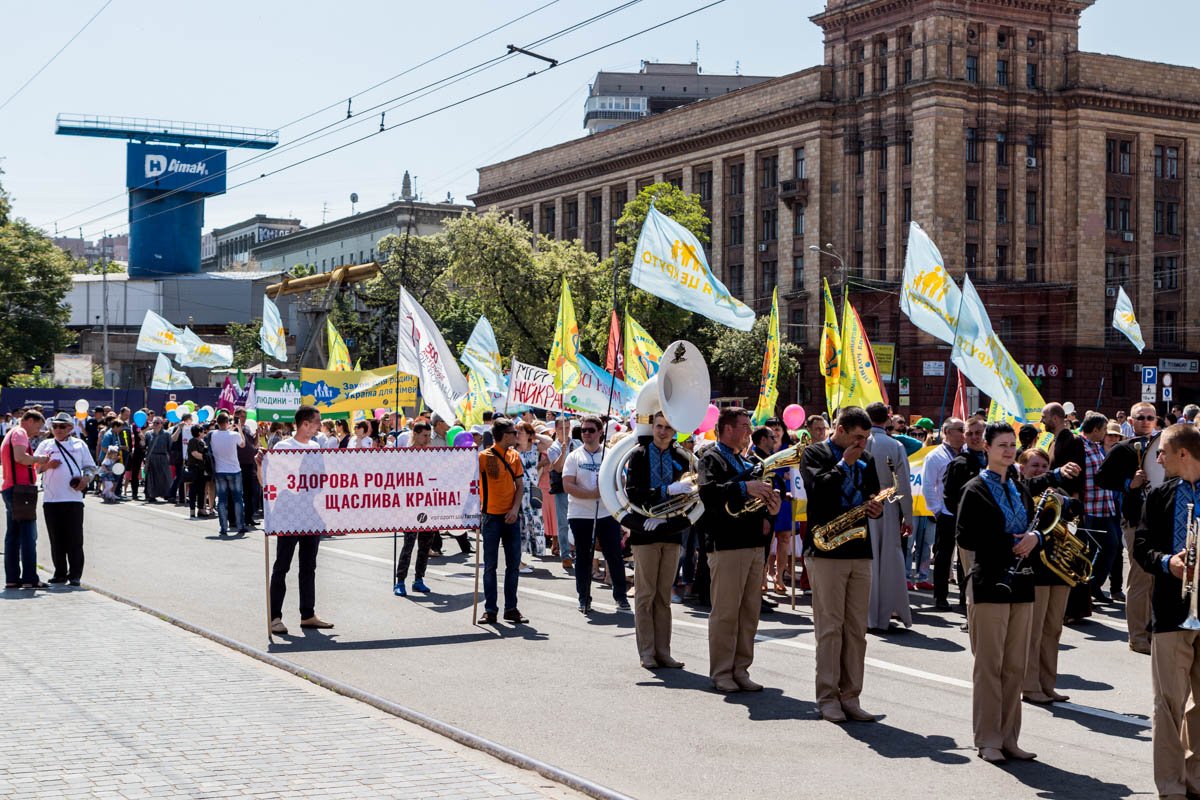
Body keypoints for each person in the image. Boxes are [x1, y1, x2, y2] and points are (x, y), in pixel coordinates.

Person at [957, 421, 1040, 764]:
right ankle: (988, 738)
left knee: (1015, 666)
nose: (1008, 450)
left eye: (1012, 445)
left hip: (1022, 582)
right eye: (1001, 445)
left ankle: (1009, 737)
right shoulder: (974, 488)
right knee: (990, 666)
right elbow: (965, 537)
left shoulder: (1019, 488)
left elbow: (1036, 527)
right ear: (987, 448)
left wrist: (1036, 539)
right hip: (990, 581)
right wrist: (1009, 542)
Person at [802, 406, 883, 721]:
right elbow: (817, 491)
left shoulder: (868, 458)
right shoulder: (815, 454)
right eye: (858, 437)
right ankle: (827, 697)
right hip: (826, 552)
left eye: (865, 437)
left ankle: (851, 696)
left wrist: (877, 507)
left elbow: (872, 494)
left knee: (856, 630)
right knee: (830, 627)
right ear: (841, 430)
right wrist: (842, 464)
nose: (862, 443)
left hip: (859, 549)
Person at [1133, 423, 1200, 797]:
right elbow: (1141, 547)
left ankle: (1196, 776)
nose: (1158, 458)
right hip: (1173, 610)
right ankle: (1171, 784)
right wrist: (1166, 562)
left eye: (1164, 452)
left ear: (1183, 454)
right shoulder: (1158, 496)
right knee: (1169, 704)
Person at [699, 406, 779, 693]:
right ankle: (722, 671)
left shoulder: (749, 461)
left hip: (753, 542)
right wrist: (746, 488)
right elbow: (709, 492)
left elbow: (759, 494)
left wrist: (771, 506)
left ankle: (741, 669)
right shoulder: (711, 457)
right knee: (726, 612)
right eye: (745, 426)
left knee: (749, 611)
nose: (749, 431)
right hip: (726, 544)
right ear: (728, 428)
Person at [624, 412, 692, 670]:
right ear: (652, 427)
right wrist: (665, 491)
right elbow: (632, 493)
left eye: (668, 427)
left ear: (675, 431)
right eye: (659, 426)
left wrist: (669, 520)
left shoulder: (681, 457)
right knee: (645, 595)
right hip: (645, 533)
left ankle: (664, 652)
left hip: (671, 533)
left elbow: (691, 498)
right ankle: (647, 652)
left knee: (664, 596)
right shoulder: (639, 455)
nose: (663, 431)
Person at [1014, 446, 1080, 705]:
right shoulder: (1021, 490)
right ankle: (1029, 686)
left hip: (1058, 568)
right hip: (1036, 568)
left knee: (1053, 630)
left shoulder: (1057, 490)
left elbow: (1077, 509)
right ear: (1023, 469)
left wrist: (1064, 502)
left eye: (1044, 466)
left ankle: (1048, 684)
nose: (1040, 470)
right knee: (1034, 630)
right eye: (1035, 466)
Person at [264, 406, 334, 635]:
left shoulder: (316, 447)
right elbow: (273, 479)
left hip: (310, 514)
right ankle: (274, 617)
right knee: (282, 566)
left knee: (308, 566)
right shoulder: (284, 447)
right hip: (288, 515)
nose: (319, 426)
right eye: (317, 422)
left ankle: (308, 614)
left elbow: (321, 479)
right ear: (305, 423)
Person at [1097, 401, 1157, 654]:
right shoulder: (1122, 449)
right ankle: (1137, 637)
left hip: (1160, 522)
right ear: (1130, 422)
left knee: (1157, 579)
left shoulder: (1162, 447)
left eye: (1150, 417)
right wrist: (1128, 483)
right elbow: (1101, 478)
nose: (1145, 421)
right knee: (1141, 578)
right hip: (1136, 521)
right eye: (1140, 417)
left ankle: (1152, 630)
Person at [564, 415, 630, 614]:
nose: (586, 434)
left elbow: (623, 480)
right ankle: (584, 598)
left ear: (601, 432)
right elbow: (568, 484)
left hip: (606, 512)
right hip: (580, 514)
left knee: (614, 555)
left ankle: (621, 597)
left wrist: (608, 488)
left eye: (591, 430)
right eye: (583, 430)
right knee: (584, 557)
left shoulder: (610, 454)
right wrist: (591, 494)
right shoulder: (574, 456)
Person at [864, 402, 913, 631]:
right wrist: (908, 516)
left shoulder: (860, 442)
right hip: (889, 504)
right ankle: (885, 613)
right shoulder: (894, 445)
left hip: (863, 504)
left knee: (867, 558)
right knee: (889, 560)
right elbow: (903, 483)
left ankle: (867, 614)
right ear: (887, 420)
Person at [477, 417, 529, 625]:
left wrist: (515, 509)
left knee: (513, 565)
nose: (516, 436)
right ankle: (490, 610)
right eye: (512, 432)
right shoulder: (483, 457)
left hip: (511, 517)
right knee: (490, 566)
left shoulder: (515, 456)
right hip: (490, 516)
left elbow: (520, 486)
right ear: (502, 435)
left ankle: (511, 608)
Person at [35, 412, 96, 586]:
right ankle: (60, 573)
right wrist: (47, 466)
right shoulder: (46, 444)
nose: (58, 429)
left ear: (70, 428)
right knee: (56, 539)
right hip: (51, 500)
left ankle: (75, 575)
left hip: (73, 499)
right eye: (55, 426)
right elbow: (35, 467)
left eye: (62, 426)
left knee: (75, 538)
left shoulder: (79, 444)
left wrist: (86, 479)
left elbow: (91, 467)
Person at [3, 410, 52, 589]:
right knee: (28, 536)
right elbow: (20, 457)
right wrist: (40, 459)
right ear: (29, 421)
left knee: (13, 536)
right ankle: (30, 578)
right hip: (20, 491)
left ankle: (12, 578)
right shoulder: (19, 433)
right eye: (38, 427)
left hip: (12, 489)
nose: (38, 432)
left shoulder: (12, 433)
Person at [926, 417, 966, 610]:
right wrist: (937, 511)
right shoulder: (935, 456)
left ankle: (963, 597)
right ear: (947, 432)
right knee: (943, 556)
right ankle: (940, 596)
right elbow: (928, 486)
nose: (963, 434)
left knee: (965, 557)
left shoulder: (968, 455)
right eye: (960, 429)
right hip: (946, 514)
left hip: (966, 514)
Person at [394, 421, 436, 596]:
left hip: (428, 504)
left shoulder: (432, 454)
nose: (427, 439)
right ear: (415, 434)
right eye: (424, 435)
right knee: (409, 544)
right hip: (409, 506)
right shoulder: (405, 455)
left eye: (429, 436)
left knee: (425, 545)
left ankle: (419, 579)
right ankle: (400, 581)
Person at [514, 422, 549, 570]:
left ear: (528, 434)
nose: (518, 435)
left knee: (532, 526)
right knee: (520, 527)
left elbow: (550, 443)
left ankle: (520, 560)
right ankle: (517, 562)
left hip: (532, 492)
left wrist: (535, 435)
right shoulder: (512, 450)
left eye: (521, 432)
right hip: (518, 492)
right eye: (517, 432)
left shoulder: (535, 447)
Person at [546, 416, 578, 570]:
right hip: (562, 489)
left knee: (578, 521)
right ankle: (565, 554)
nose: (564, 431)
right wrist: (563, 452)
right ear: (556, 429)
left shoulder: (577, 443)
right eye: (561, 428)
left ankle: (578, 552)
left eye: (567, 427)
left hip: (578, 487)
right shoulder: (553, 447)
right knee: (563, 522)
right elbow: (557, 468)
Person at [209, 412, 247, 537]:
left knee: (222, 500)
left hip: (220, 471)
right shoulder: (234, 435)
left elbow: (222, 433)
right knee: (237, 499)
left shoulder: (213, 435)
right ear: (227, 422)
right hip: (234, 470)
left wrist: (232, 427)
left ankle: (223, 527)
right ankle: (240, 525)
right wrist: (239, 428)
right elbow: (243, 444)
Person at [143, 417, 173, 503]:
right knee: (152, 477)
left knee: (165, 476)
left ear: (161, 424)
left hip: (163, 457)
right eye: (154, 423)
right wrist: (142, 441)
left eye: (158, 423)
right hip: (152, 457)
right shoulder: (148, 434)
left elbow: (170, 447)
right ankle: (151, 495)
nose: (156, 425)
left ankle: (166, 494)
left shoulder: (167, 434)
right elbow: (144, 445)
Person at [185, 424, 212, 518]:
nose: (204, 433)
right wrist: (206, 458)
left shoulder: (202, 442)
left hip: (202, 469)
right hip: (194, 468)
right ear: (199, 432)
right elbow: (194, 453)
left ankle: (201, 509)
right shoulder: (193, 441)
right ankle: (192, 509)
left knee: (202, 490)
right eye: (202, 431)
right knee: (193, 489)